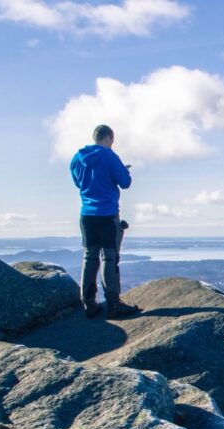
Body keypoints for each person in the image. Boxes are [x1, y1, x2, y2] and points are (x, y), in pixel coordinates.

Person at [70, 124, 139, 319]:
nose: (112, 143)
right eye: (112, 140)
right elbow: (125, 183)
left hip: (87, 216)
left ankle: (89, 304)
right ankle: (114, 305)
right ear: (108, 138)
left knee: (90, 257)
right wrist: (124, 171)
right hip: (108, 214)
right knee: (109, 257)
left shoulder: (77, 159)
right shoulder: (109, 156)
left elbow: (78, 183)